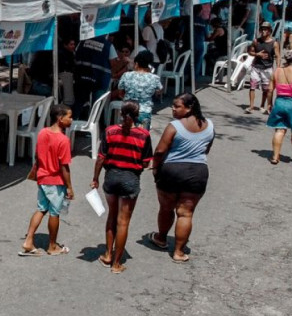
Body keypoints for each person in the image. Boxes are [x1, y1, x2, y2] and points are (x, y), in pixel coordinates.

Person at [150, 93, 213, 264]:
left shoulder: (174, 127)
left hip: (171, 171)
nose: (173, 109)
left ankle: (161, 238)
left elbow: (160, 151)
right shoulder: (209, 125)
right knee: (186, 214)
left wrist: (155, 167)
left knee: (166, 208)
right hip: (198, 172)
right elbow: (206, 149)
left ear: (189, 107)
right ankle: (178, 252)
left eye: (177, 106)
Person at [91, 101, 153, 273]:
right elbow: (146, 162)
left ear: (120, 113)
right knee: (123, 222)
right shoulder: (143, 135)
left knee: (112, 216)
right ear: (137, 115)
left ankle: (107, 255)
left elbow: (101, 158)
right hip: (130, 179)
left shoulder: (110, 131)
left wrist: (95, 178)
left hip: (111, 177)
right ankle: (117, 264)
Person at [18, 104, 74, 257]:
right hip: (55, 180)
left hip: (42, 177)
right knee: (54, 212)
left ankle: (28, 241)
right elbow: (64, 167)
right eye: (69, 117)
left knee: (41, 208)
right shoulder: (63, 140)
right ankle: (52, 245)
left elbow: (37, 154)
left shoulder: (42, 132)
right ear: (60, 118)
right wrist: (69, 187)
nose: (71, 120)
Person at [266, 48, 292, 165]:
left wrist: (269, 103)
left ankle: (275, 157)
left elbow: (270, 89)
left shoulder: (277, 71)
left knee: (279, 130)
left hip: (280, 103)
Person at [117, 50, 162, 128]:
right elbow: (159, 92)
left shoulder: (126, 75)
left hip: (128, 110)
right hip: (145, 112)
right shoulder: (155, 78)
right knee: (142, 137)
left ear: (136, 63)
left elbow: (120, 93)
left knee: (126, 136)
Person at [246, 22, 278, 113]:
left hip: (267, 68)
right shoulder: (256, 41)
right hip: (256, 67)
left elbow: (278, 56)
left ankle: (262, 105)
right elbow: (250, 52)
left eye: (266, 29)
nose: (263, 31)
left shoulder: (274, 43)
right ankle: (251, 106)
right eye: (262, 29)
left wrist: (278, 68)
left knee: (266, 89)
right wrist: (257, 54)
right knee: (252, 87)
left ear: (269, 31)